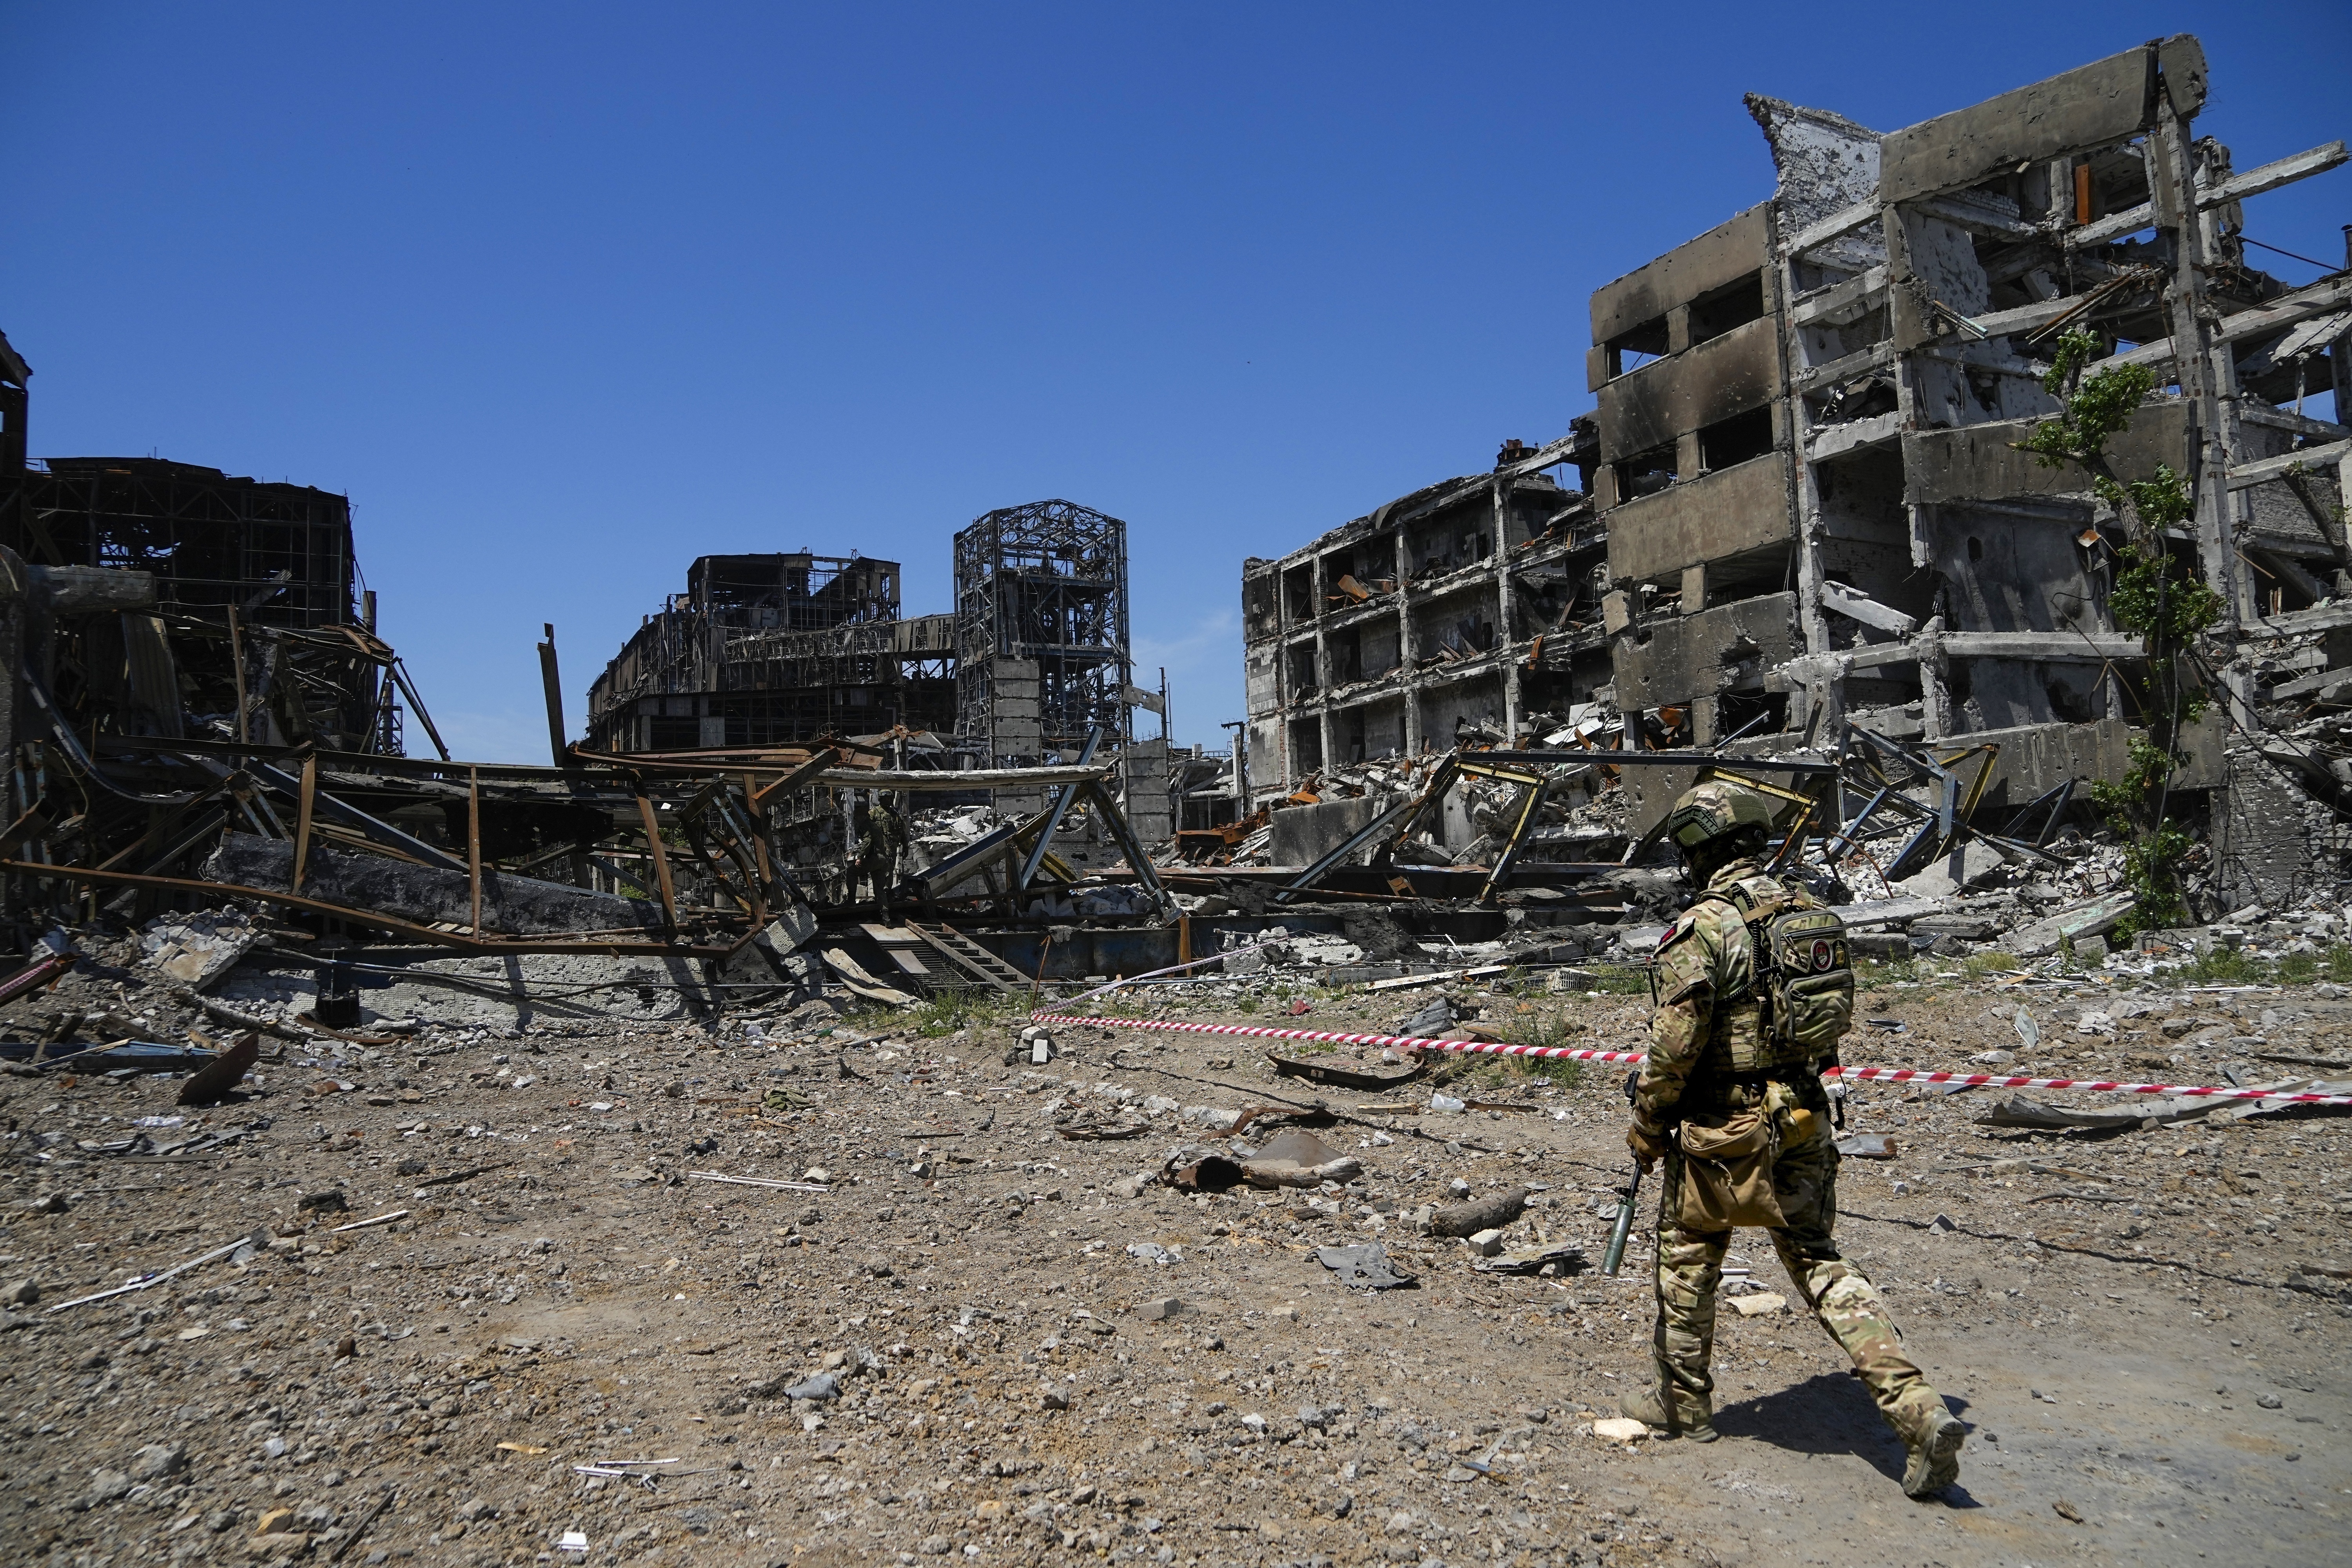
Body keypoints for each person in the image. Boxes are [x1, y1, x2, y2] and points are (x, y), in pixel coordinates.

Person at [1621, 780, 1965, 1500]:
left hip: (1725, 1130)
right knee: (1820, 1262)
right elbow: (1826, 1025)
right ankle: (1918, 1408)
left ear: (1698, 851)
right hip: (1805, 1115)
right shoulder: (1810, 917)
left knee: (1687, 1260)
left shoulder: (1703, 930)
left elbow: (1673, 1050)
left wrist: (1648, 1125)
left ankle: (1684, 1407)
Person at [855, 791, 907, 919]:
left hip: (893, 846)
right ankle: (881, 898)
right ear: (880, 799)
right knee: (882, 872)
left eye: (890, 799)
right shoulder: (874, 813)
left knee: (890, 870)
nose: (888, 801)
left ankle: (886, 893)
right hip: (880, 847)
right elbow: (865, 827)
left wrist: (906, 846)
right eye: (885, 799)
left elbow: (902, 831)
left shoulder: (894, 814)